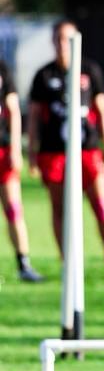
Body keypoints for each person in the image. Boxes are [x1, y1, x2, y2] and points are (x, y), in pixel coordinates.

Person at [27, 20, 104, 280]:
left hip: (88, 151)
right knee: (59, 209)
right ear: (52, 42)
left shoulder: (89, 70)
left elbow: (102, 109)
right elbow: (35, 116)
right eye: (59, 39)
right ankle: (68, 264)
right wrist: (32, 151)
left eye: (68, 39)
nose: (63, 45)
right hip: (54, 153)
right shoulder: (44, 76)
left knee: (101, 204)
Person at [0, 56, 44, 281]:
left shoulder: (2, 68)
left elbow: (13, 110)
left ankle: (24, 264)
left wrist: (15, 149)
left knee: (13, 209)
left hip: (2, 151)